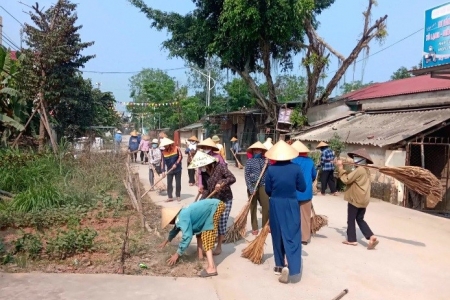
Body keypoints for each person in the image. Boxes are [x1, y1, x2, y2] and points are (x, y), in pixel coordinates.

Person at [264, 140, 306, 284]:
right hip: (291, 203)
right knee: (292, 234)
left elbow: (267, 190)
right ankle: (292, 266)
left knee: (277, 234)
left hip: (275, 203)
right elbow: (302, 187)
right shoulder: (296, 168)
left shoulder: (271, 170)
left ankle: (279, 265)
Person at [159, 198, 225, 277]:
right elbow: (175, 230)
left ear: (171, 219)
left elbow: (187, 236)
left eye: (169, 222)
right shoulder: (181, 214)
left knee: (207, 236)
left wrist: (177, 254)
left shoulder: (182, 218)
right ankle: (200, 257)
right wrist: (166, 241)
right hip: (215, 205)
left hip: (215, 207)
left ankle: (211, 268)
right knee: (202, 231)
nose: (171, 224)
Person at [193, 150, 236, 256]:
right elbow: (207, 188)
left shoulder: (220, 167)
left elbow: (232, 178)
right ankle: (203, 246)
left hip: (225, 198)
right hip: (213, 199)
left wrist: (221, 183)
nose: (202, 167)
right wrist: (202, 195)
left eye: (203, 164)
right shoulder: (203, 172)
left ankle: (219, 246)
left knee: (221, 222)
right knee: (207, 220)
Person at [336, 148, 379, 250]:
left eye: (355, 158)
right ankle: (371, 236)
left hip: (355, 198)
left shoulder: (359, 170)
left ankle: (352, 240)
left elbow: (346, 179)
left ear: (359, 159)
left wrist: (340, 167)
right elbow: (352, 177)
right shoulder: (365, 170)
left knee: (351, 219)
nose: (353, 160)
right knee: (360, 219)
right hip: (363, 199)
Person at [291, 141, 317, 245]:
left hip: (293, 193)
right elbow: (314, 175)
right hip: (306, 193)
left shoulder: (292, 161)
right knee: (306, 216)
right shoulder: (310, 161)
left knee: (293, 215)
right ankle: (305, 238)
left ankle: (293, 235)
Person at [244, 141, 269, 235]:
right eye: (255, 150)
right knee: (253, 206)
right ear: (253, 151)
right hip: (253, 185)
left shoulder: (265, 161)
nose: (257, 151)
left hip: (263, 185)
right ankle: (254, 227)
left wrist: (268, 162)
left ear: (262, 151)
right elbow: (247, 176)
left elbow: (269, 171)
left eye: (259, 150)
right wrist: (251, 188)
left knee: (266, 205)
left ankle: (265, 225)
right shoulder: (249, 162)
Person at [160, 138, 183, 202]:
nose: (165, 147)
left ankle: (178, 196)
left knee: (178, 183)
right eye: (164, 146)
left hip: (178, 169)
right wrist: (163, 171)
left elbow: (180, 157)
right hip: (169, 170)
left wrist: (176, 164)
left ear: (169, 144)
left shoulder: (177, 149)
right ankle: (170, 197)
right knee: (169, 183)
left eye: (166, 145)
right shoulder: (163, 152)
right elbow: (162, 162)